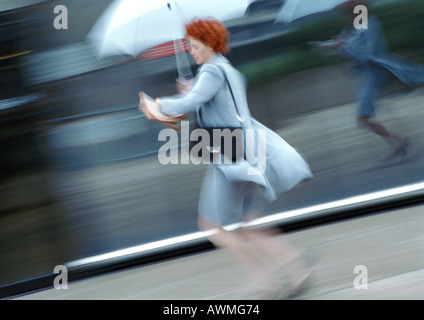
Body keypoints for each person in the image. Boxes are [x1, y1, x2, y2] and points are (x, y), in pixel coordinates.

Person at [144, 18, 313, 299]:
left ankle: (265, 279)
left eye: (195, 46)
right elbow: (211, 102)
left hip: (231, 150)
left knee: (211, 226)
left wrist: (158, 104)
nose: (192, 52)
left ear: (210, 43)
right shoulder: (225, 70)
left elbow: (190, 105)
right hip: (244, 146)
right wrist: (192, 90)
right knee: (246, 219)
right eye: (190, 47)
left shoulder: (211, 72)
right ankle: (294, 266)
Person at [312, 0, 424, 158]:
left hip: (374, 74)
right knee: (364, 118)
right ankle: (397, 142)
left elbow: (364, 54)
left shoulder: (369, 25)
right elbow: (344, 46)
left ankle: (398, 140)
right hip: (368, 75)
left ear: (355, 12)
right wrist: (325, 46)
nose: (343, 17)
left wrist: (342, 45)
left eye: (345, 12)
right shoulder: (356, 28)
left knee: (363, 118)